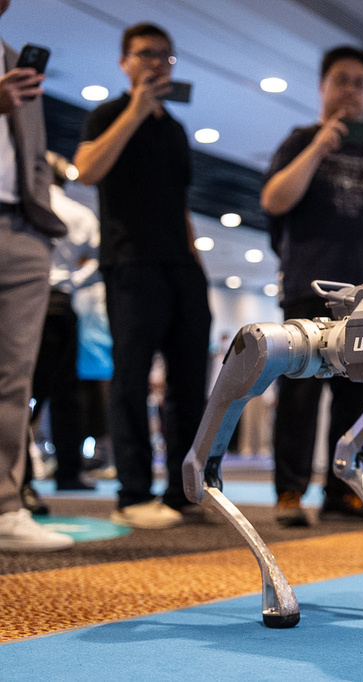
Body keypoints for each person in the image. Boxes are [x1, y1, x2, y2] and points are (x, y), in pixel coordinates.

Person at [262, 46, 363, 526]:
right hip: (310, 288)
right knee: (300, 393)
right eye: (341, 81)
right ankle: (290, 492)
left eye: (359, 83)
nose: (351, 91)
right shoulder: (300, 140)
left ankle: (345, 490)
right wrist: (318, 148)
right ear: (322, 87)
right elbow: (274, 200)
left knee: (356, 396)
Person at [74, 23, 212, 529]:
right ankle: (132, 493)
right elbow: (86, 169)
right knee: (130, 379)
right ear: (124, 62)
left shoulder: (174, 129)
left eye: (166, 56)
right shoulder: (108, 114)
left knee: (190, 384)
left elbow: (180, 204)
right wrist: (134, 111)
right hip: (131, 263)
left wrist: (196, 266)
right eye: (146, 54)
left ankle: (181, 493)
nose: (157, 63)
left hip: (182, 268)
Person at [0, 0, 74, 551]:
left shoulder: (13, 59)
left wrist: (41, 219)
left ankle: (4, 506)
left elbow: (33, 153)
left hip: (23, 228)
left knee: (13, 378)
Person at [27, 152, 100, 492]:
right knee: (66, 392)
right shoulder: (79, 213)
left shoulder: (29, 204)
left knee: (26, 389)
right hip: (61, 303)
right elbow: (99, 261)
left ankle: (18, 473)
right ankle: (69, 473)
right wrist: (72, 280)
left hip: (30, 300)